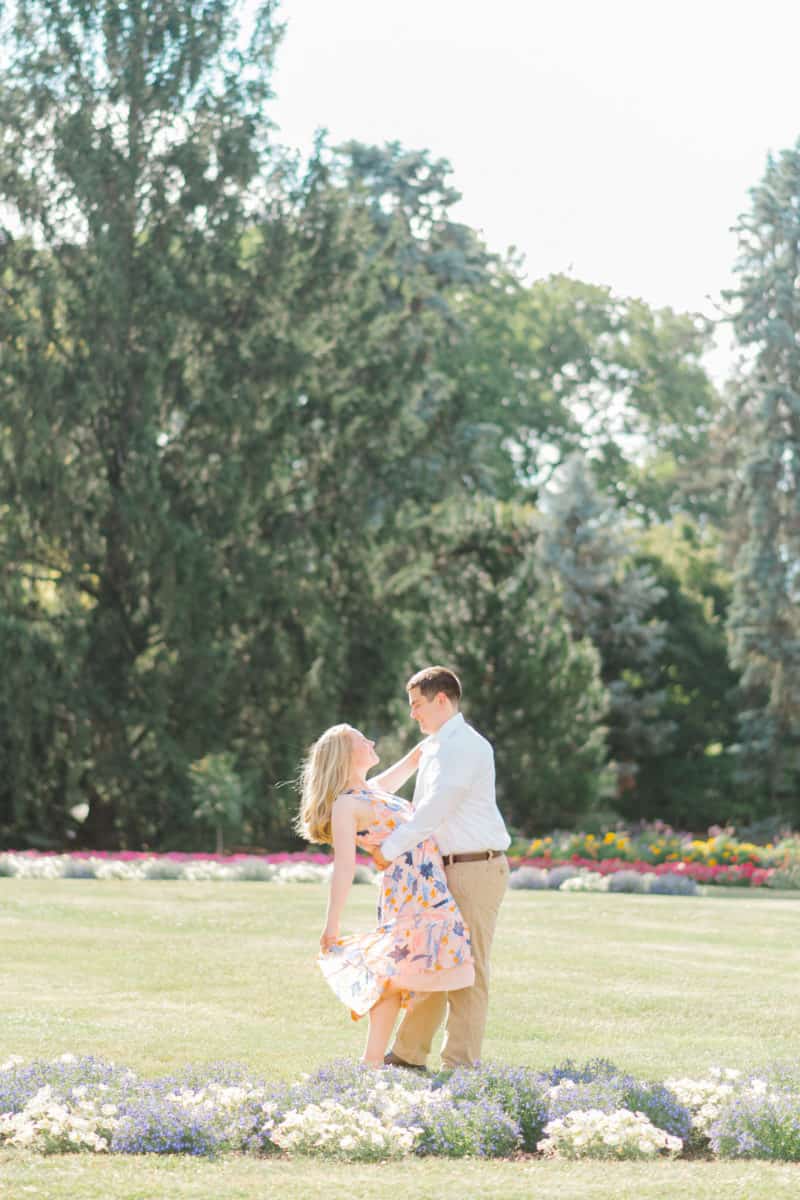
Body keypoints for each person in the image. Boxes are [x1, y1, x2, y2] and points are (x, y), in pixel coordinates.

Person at [296, 723, 475, 1068]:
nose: (372, 742)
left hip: (430, 889)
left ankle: (372, 1063)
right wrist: (331, 925)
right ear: (346, 755)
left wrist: (444, 729)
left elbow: (413, 760)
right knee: (400, 977)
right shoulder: (346, 805)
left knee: (397, 978)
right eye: (363, 740)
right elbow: (344, 867)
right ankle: (379, 1061)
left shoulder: (372, 790)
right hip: (411, 896)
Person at [372, 666, 510, 1070]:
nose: (412, 714)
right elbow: (388, 793)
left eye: (417, 705)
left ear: (442, 700)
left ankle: (460, 1066)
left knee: (468, 969)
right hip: (437, 871)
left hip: (474, 869)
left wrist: (390, 849)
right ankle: (408, 1055)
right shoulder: (433, 747)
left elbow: (435, 809)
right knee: (430, 960)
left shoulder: (467, 746)